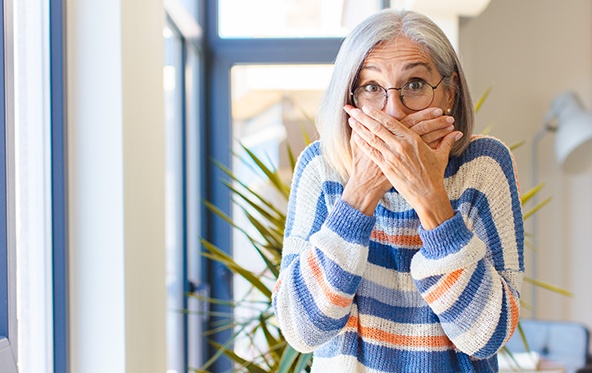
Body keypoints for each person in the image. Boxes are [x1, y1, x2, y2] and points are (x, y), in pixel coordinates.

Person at [271, 8, 524, 373]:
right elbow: (301, 330)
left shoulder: (483, 166)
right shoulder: (320, 167)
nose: (394, 112)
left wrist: (429, 196)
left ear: (449, 92)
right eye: (372, 87)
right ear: (351, 98)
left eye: (415, 85)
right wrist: (360, 192)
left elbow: (487, 336)